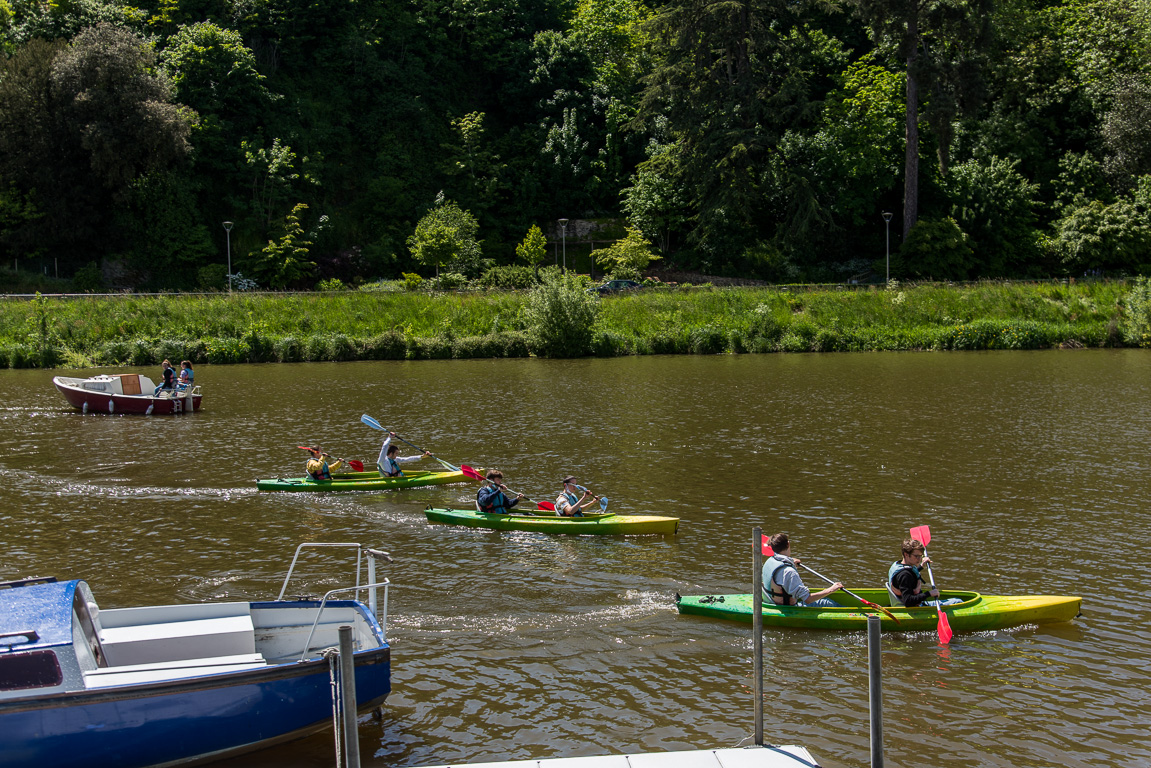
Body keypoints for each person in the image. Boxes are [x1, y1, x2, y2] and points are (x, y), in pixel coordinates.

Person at [762, 532, 842, 607]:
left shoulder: (770, 561)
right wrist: (831, 589)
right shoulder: (789, 572)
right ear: (788, 544)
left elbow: (780, 573)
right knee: (827, 602)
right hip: (787, 608)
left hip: (770, 601)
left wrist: (791, 562)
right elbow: (808, 599)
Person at [888, 539, 962, 607]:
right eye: (916, 556)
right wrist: (929, 594)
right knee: (958, 601)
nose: (919, 559)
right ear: (906, 554)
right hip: (915, 609)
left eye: (921, 556)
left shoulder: (898, 565)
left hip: (915, 604)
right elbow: (908, 601)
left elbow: (910, 574)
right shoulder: (905, 576)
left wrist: (921, 566)